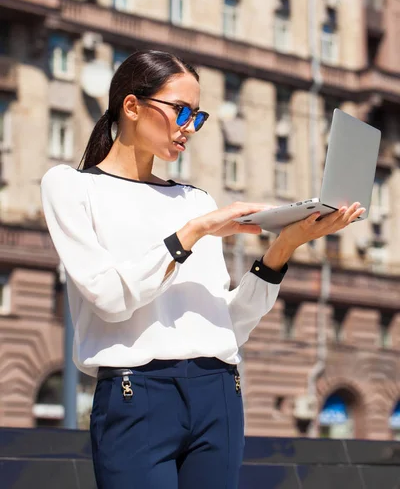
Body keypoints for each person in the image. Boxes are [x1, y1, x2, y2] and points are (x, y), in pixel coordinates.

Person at [41, 49, 365, 489]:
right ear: (132, 106)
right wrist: (191, 233)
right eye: (181, 111)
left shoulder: (196, 199)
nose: (188, 128)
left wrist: (284, 246)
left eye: (197, 115)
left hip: (219, 395)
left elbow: (228, 324)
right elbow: (110, 300)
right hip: (137, 395)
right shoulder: (72, 187)